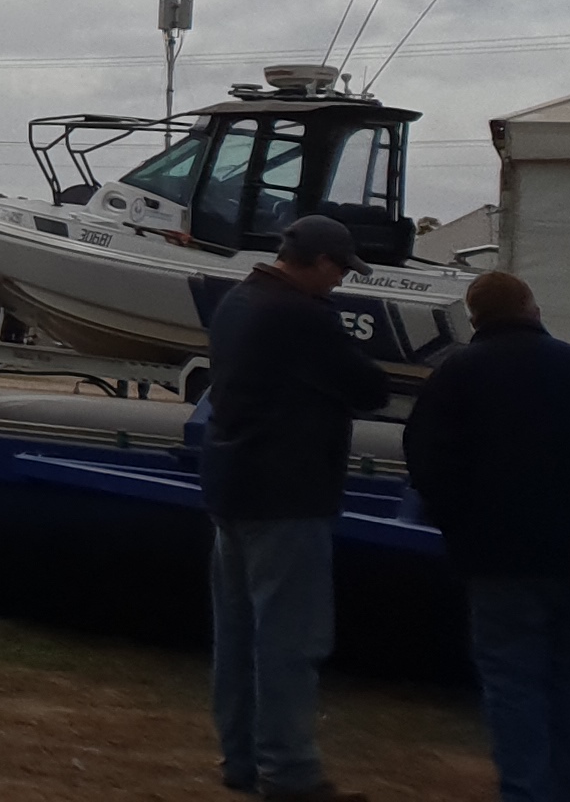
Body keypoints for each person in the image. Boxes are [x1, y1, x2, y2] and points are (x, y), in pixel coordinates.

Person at [400, 271, 570, 802]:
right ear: (531, 308)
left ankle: (526, 793)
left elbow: (426, 460)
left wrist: (455, 521)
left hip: (497, 560)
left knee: (513, 684)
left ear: (476, 317)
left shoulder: (455, 375)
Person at [201, 214, 390, 802]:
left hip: (232, 484)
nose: (340, 284)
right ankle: (289, 773)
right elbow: (369, 389)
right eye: (340, 271)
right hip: (288, 491)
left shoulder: (237, 300)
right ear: (321, 263)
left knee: (234, 636)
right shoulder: (303, 316)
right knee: (289, 640)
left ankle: (242, 760)